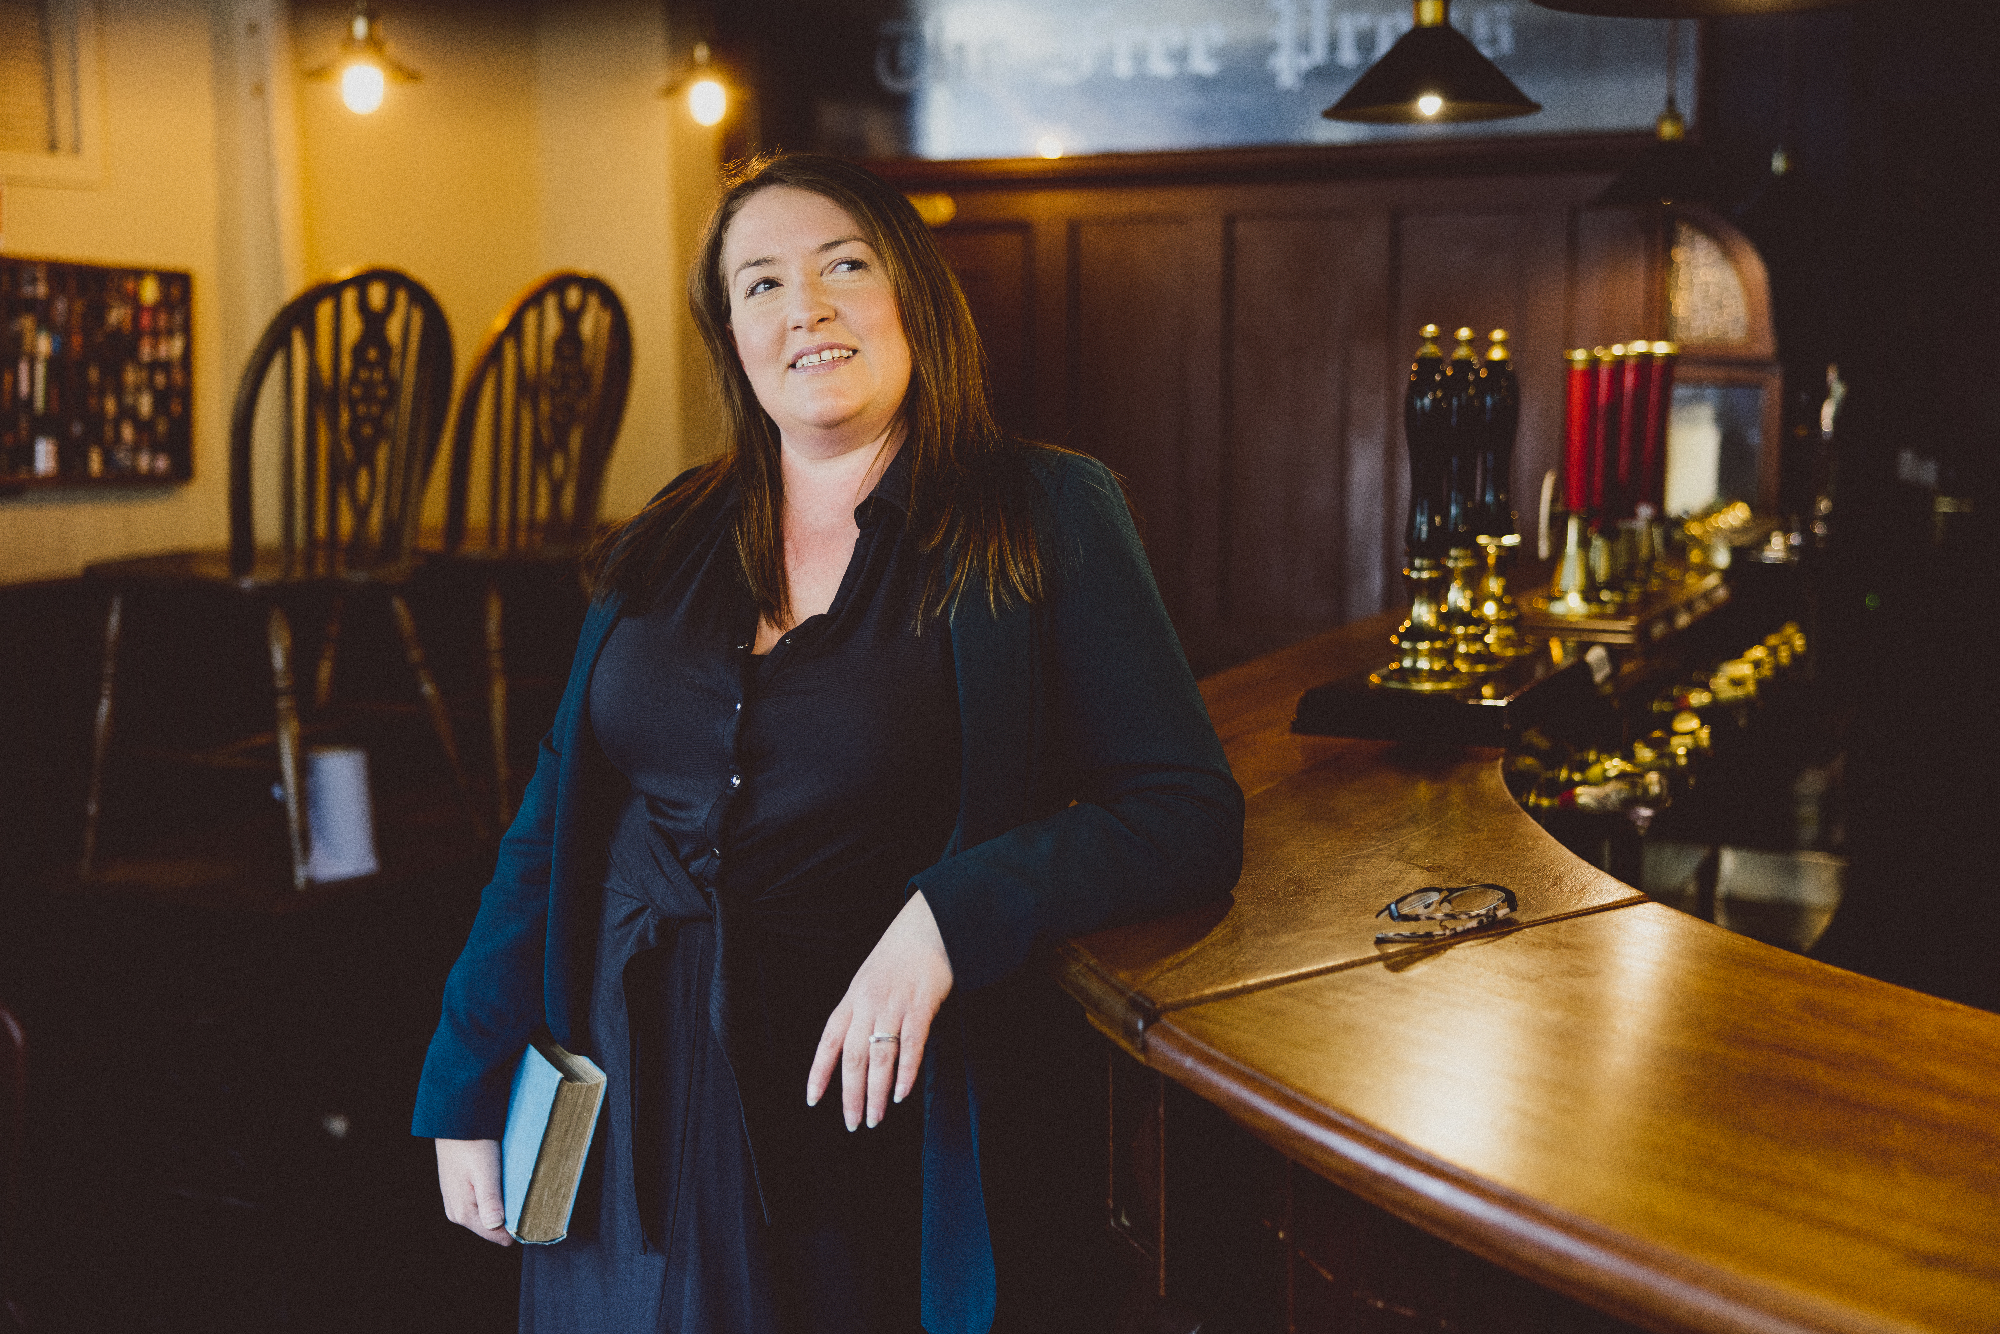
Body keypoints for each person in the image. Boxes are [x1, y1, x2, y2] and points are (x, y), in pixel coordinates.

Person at [412, 152, 1243, 1334]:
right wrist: (466, 1074)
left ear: (912, 293)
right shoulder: (666, 536)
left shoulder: (1044, 508)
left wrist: (953, 910)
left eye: (841, 265)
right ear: (733, 340)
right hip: (618, 1099)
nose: (801, 306)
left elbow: (1184, 810)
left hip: (858, 1129)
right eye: (758, 284)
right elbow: (554, 820)